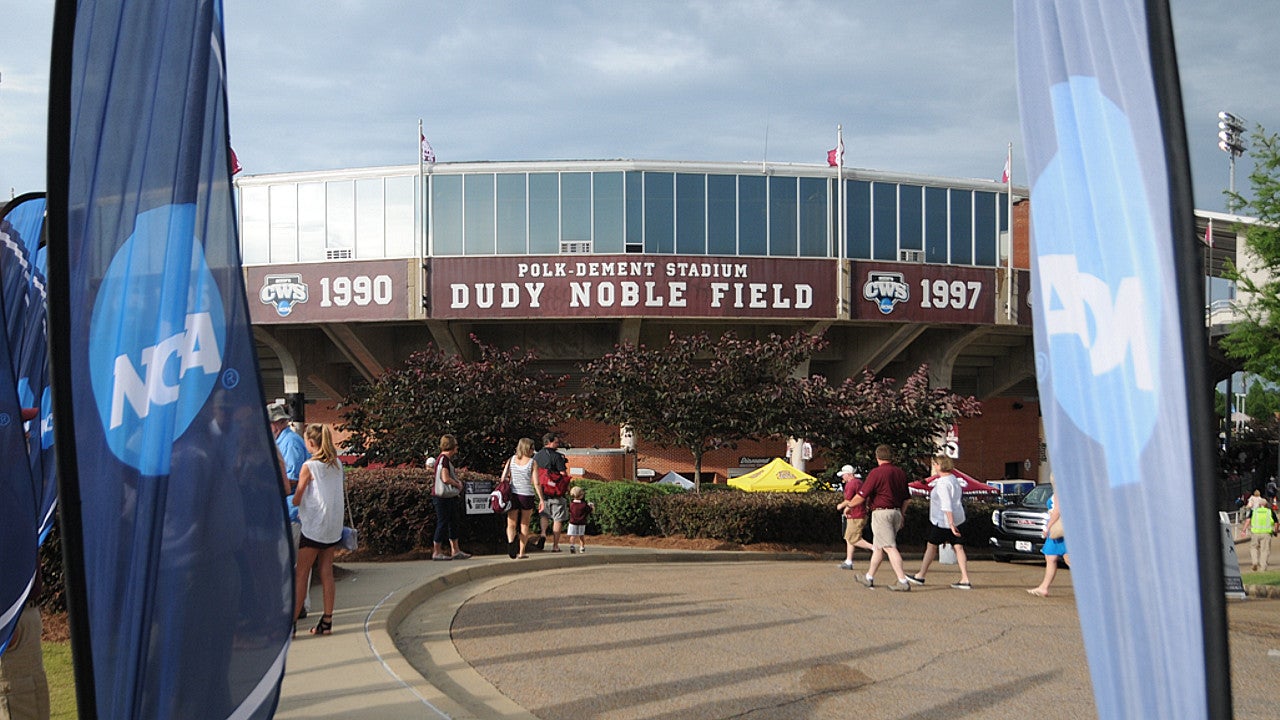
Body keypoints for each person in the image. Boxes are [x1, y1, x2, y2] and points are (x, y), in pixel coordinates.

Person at [292, 424, 345, 636]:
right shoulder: (337, 464)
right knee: (326, 571)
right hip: (333, 525)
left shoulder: (309, 466)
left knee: (301, 573)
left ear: (311, 443)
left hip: (314, 525)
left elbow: (297, 497)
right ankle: (327, 620)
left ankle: (291, 623)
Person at [848, 445, 913, 591]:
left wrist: (849, 506)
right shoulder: (900, 473)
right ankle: (869, 577)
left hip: (881, 513)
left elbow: (862, 495)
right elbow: (907, 499)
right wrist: (902, 515)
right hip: (896, 512)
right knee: (878, 547)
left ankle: (902, 580)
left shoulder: (876, 473)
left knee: (889, 547)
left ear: (877, 457)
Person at [906, 455, 973, 589]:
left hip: (942, 521)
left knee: (931, 546)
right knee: (958, 547)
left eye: (935, 464)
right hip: (958, 518)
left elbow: (946, 504)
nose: (934, 467)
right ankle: (965, 578)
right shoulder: (954, 479)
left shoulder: (942, 483)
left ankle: (921, 575)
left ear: (940, 465)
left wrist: (951, 523)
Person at [432, 434, 471, 561]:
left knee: (453, 522)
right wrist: (457, 484)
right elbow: (445, 478)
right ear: (452, 446)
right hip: (443, 496)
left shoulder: (444, 459)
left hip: (449, 496)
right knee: (443, 522)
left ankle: (455, 550)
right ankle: (436, 551)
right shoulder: (444, 460)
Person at [502, 438, 542, 559]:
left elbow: (503, 477)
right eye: (532, 448)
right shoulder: (532, 462)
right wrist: (541, 498)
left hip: (513, 494)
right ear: (527, 448)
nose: (533, 451)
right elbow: (536, 483)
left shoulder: (512, 460)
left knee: (511, 523)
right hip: (527, 495)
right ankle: (521, 552)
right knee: (524, 524)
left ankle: (510, 543)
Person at [533, 432, 572, 552]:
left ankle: (543, 534)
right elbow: (563, 475)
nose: (558, 444)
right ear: (549, 442)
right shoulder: (557, 456)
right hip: (556, 492)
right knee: (557, 518)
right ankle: (555, 545)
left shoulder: (537, 456)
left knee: (544, 515)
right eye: (556, 442)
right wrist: (569, 489)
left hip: (542, 491)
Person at [1028, 488, 1069, 597]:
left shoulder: (1060, 491)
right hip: (1059, 529)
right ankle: (1044, 587)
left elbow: (1057, 511)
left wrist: (1047, 528)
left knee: (1067, 558)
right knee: (1051, 557)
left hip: (1058, 529)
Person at [835, 465, 874, 570]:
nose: (842, 477)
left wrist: (841, 506)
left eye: (843, 475)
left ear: (848, 474)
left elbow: (848, 500)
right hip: (859, 514)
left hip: (856, 514)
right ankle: (848, 561)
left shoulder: (851, 484)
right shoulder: (859, 482)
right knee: (849, 538)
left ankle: (875, 548)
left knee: (854, 539)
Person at [1246, 489, 1278, 572]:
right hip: (1266, 533)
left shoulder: (1254, 511)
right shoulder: (1270, 511)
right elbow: (1276, 522)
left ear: (1259, 505)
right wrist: (1275, 531)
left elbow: (1248, 520)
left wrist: (1244, 529)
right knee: (1265, 550)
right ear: (1266, 504)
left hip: (1255, 533)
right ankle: (1263, 567)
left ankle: (1255, 562)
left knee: (1253, 548)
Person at [566, 485, 594, 554]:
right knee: (581, 536)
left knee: (573, 536)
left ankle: (572, 545)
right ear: (581, 495)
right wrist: (592, 506)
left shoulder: (571, 504)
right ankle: (582, 547)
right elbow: (590, 510)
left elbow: (569, 511)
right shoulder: (584, 505)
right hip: (582, 522)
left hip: (572, 522)